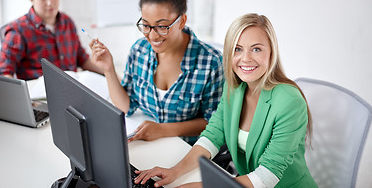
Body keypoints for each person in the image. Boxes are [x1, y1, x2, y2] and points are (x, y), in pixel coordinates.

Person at [134, 13, 317, 188]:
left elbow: (267, 176)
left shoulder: (289, 102)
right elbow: (213, 136)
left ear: (271, 53)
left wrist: (201, 186)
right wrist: (175, 171)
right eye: (237, 49)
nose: (245, 58)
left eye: (256, 49)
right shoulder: (235, 87)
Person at [90, 0, 224, 145]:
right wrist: (109, 69)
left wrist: (163, 130)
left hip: (187, 151)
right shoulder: (139, 50)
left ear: (182, 20)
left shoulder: (212, 63)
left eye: (162, 26)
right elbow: (126, 107)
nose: (152, 36)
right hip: (150, 144)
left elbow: (214, 123)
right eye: (146, 25)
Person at [0, 0, 102, 80]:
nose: (50, 3)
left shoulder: (67, 22)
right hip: (41, 94)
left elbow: (82, 59)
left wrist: (111, 73)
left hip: (72, 91)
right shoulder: (18, 31)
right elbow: (4, 71)